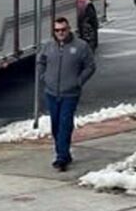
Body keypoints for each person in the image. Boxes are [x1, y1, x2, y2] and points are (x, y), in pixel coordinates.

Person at [37, 16, 96, 172]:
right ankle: (64, 153)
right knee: (55, 125)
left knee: (65, 123)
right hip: (51, 92)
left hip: (70, 94)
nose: (60, 33)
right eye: (57, 30)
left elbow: (90, 66)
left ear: (69, 29)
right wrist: (44, 77)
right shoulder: (49, 46)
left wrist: (79, 81)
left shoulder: (81, 46)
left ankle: (61, 157)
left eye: (63, 29)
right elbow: (41, 61)